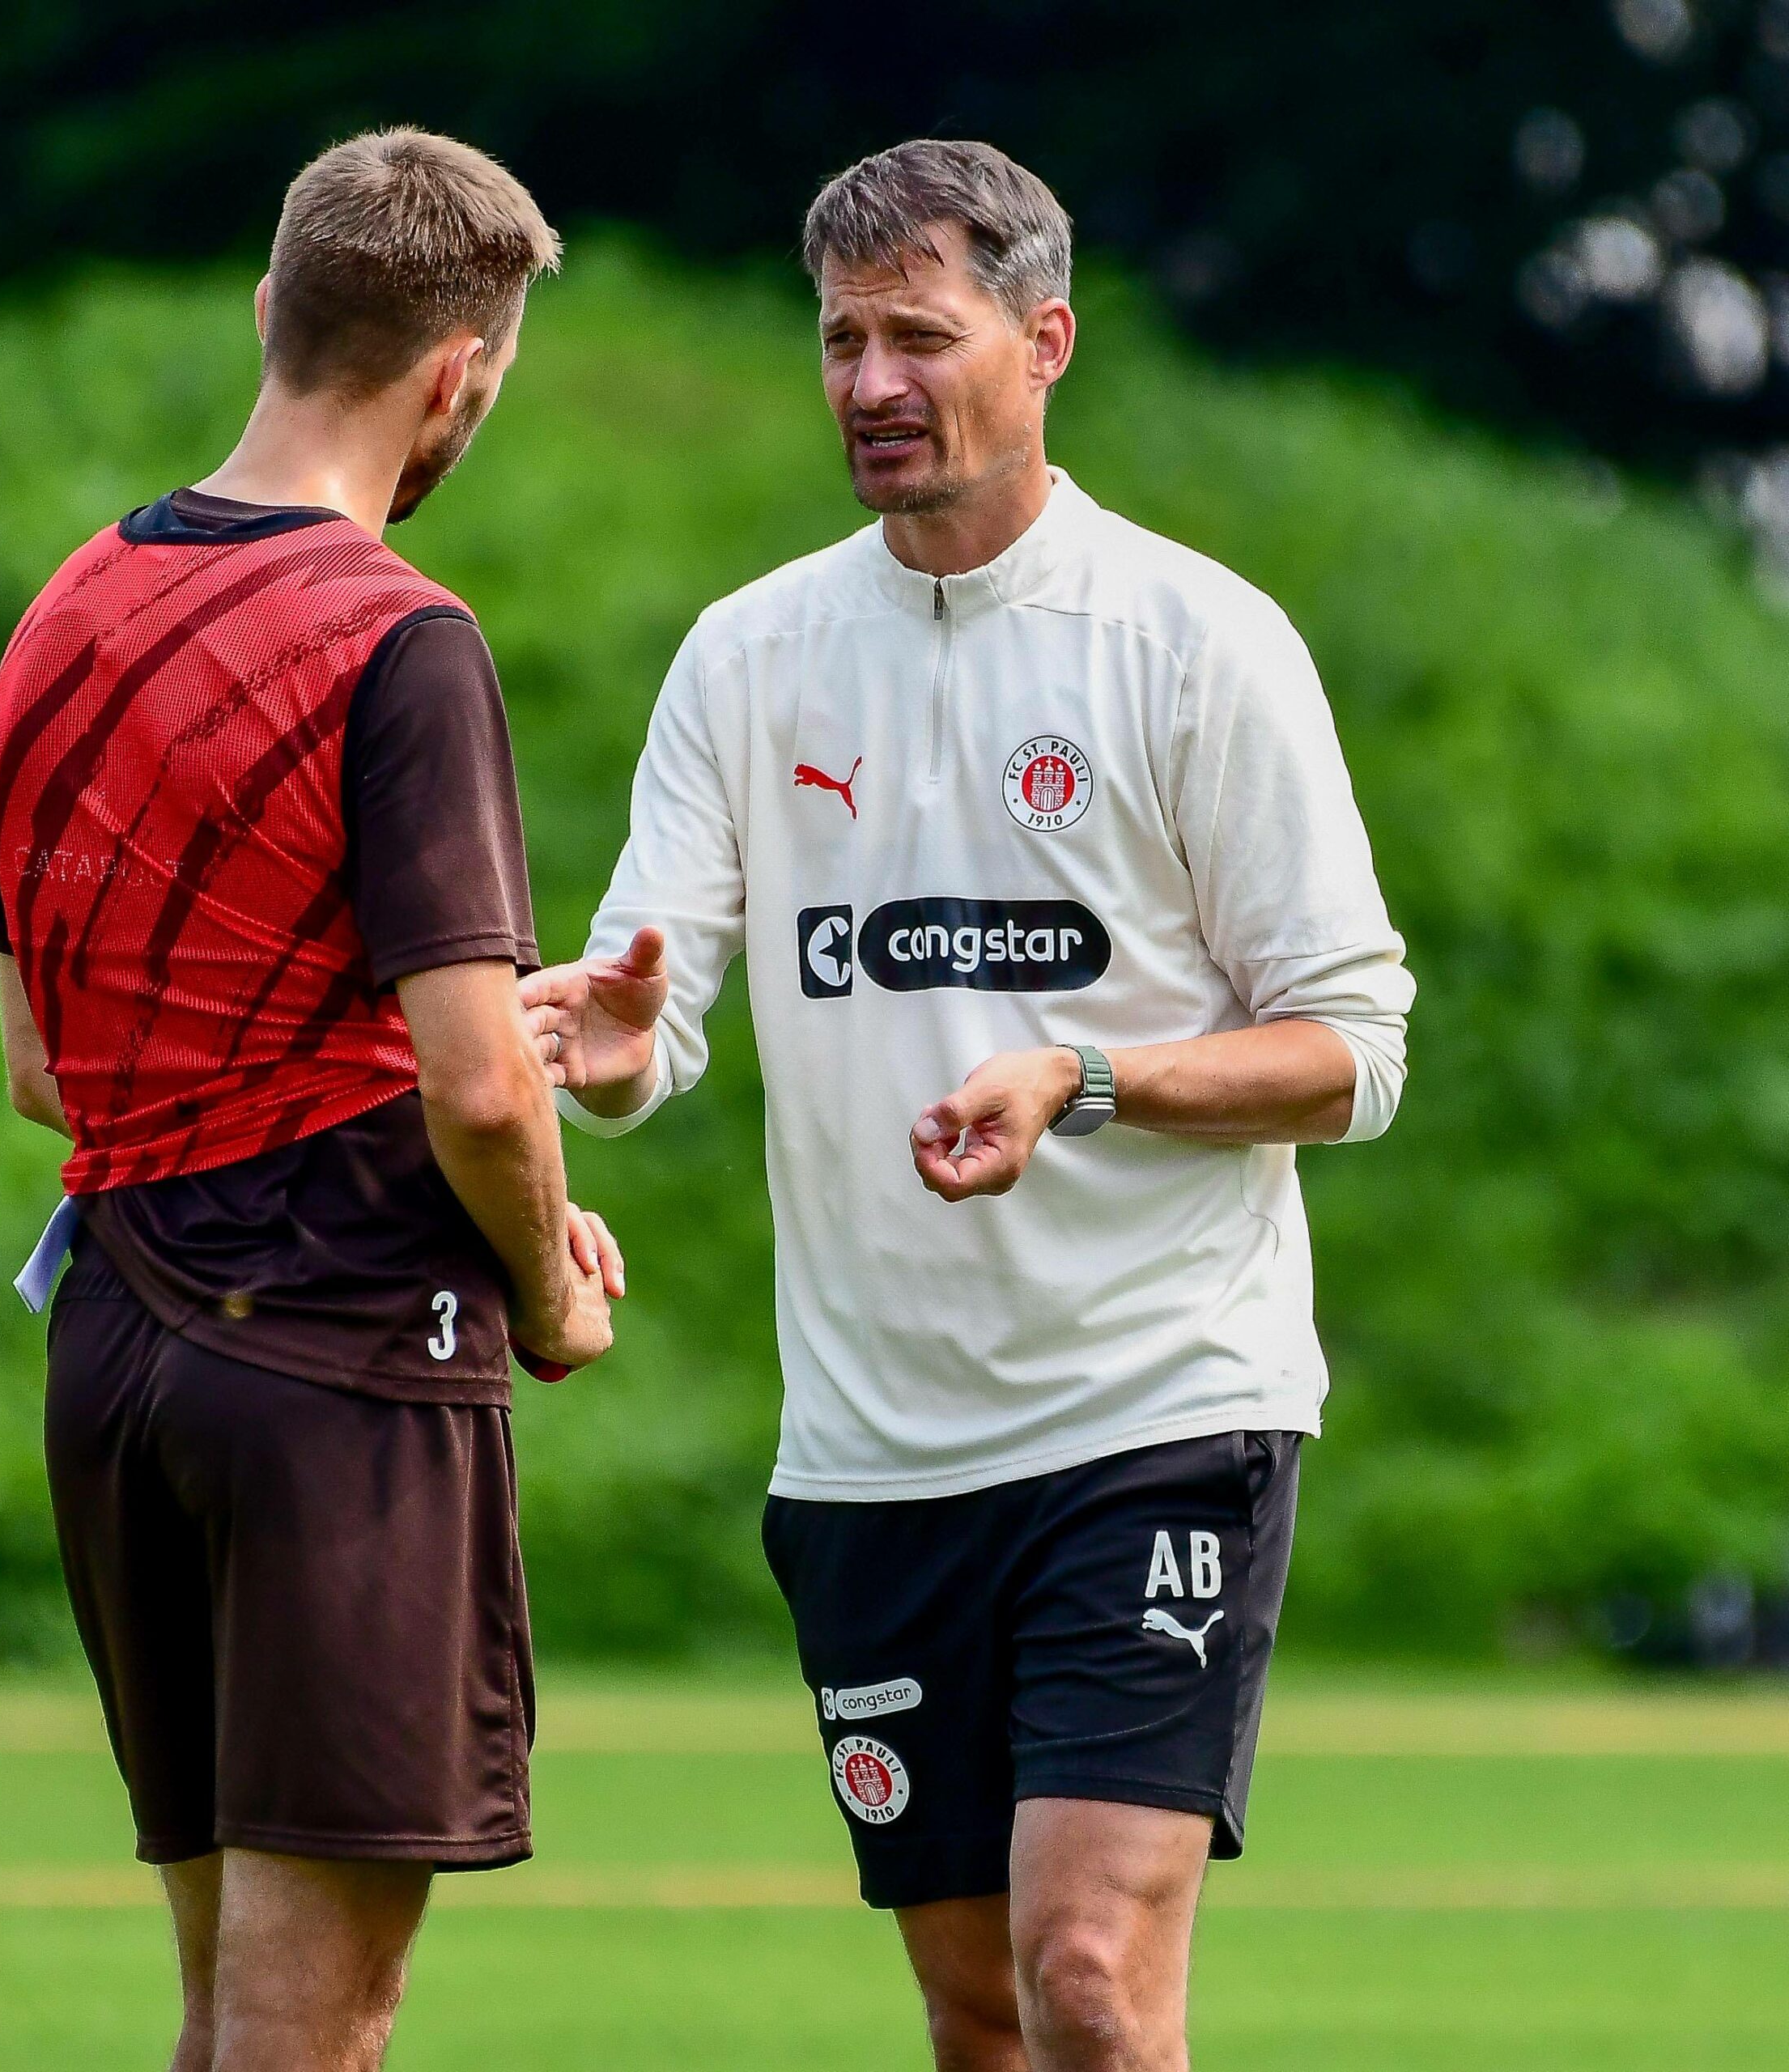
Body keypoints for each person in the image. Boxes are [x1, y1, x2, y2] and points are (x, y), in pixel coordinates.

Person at [525, 139, 1413, 2071]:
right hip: (872, 1451)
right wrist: (599, 1051)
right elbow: (645, 1001)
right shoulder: (748, 653)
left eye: (915, 334)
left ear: (1044, 340)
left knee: (1086, 1977)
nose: (865, 382)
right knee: (977, 2011)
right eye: (837, 338)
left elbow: (1352, 1051)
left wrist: (1082, 1074)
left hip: (1155, 1408)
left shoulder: (1193, 640)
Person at [0, 129, 616, 2072]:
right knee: (314, 2023)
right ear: (460, 373)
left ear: (271, 312)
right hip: (337, 1355)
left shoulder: (65, 611)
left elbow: (44, 1062)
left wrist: (493, 1024)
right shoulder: (399, 637)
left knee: (224, 2012)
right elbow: (476, 1094)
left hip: (116, 1349)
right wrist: (549, 1284)